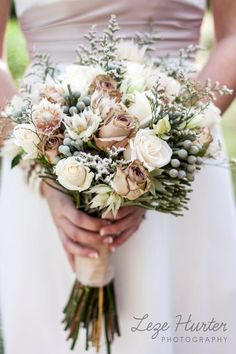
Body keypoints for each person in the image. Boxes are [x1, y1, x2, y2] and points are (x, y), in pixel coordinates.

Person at [0, 1, 236, 353]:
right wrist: (43, 167)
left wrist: (164, 155)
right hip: (43, 147)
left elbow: (233, 36)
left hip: (179, 155)